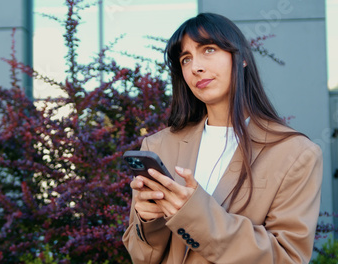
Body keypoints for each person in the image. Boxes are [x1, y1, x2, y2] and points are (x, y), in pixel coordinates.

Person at [122, 12, 323, 263]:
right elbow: (142, 257)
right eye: (186, 59)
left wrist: (193, 214)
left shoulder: (296, 154)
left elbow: (286, 257)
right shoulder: (158, 145)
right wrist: (149, 220)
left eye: (208, 49)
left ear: (242, 58)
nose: (196, 67)